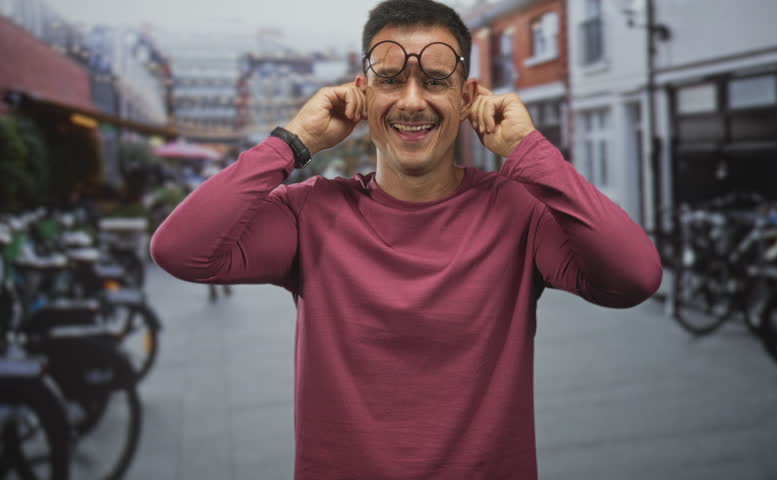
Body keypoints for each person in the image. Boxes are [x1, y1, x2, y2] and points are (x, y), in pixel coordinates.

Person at [150, 0, 662, 477]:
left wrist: (531, 153)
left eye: (436, 80)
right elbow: (180, 250)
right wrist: (292, 141)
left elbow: (634, 277)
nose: (412, 101)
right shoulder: (309, 212)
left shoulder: (517, 211)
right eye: (390, 79)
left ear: (467, 98)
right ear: (361, 93)